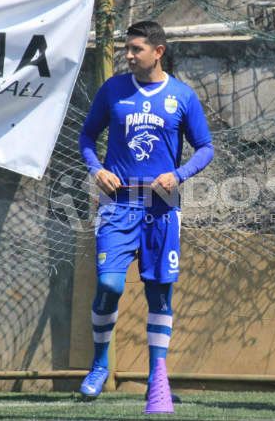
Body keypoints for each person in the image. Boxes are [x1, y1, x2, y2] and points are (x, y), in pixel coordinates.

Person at [77, 20, 214, 409]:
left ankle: (158, 377)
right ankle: (100, 364)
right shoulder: (113, 91)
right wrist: (97, 169)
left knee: (159, 293)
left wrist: (179, 174)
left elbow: (205, 147)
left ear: (158, 51)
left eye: (136, 49)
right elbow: (87, 137)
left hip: (162, 208)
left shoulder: (182, 97)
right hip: (118, 205)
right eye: (127, 48)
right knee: (110, 284)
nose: (129, 55)